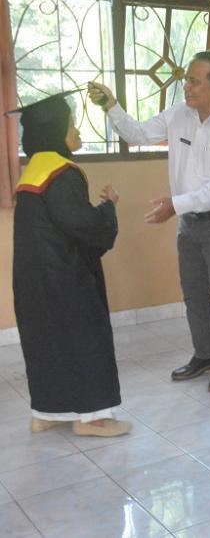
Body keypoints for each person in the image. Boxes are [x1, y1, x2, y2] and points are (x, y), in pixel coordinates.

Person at [89, 52, 210, 392]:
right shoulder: (179, 114)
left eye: (195, 81)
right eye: (186, 79)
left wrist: (174, 205)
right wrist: (111, 105)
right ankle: (206, 354)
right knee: (193, 293)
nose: (186, 86)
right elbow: (138, 135)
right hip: (189, 222)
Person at [11, 93, 130, 437]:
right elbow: (82, 226)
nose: (77, 131)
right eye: (71, 124)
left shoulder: (33, 170)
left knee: (44, 340)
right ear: (54, 132)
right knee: (83, 337)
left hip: (32, 279)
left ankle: (48, 412)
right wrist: (108, 207)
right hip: (65, 278)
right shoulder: (62, 172)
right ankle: (94, 418)